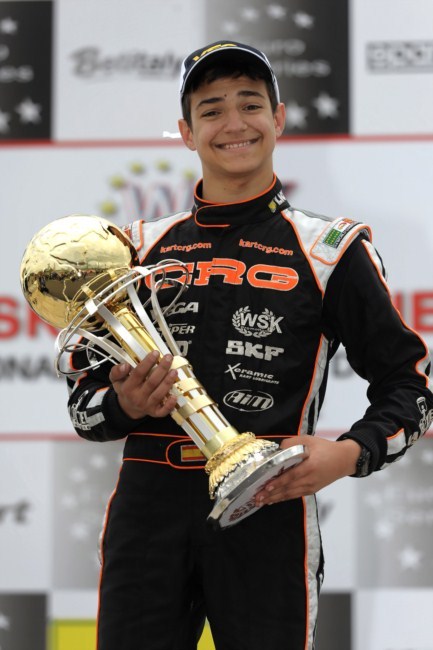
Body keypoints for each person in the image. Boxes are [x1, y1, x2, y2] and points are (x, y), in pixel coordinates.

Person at [66, 41, 433, 650]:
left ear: (278, 118)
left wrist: (347, 455)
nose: (234, 123)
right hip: (148, 511)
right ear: (187, 132)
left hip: (269, 503)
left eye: (250, 104)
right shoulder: (134, 250)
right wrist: (125, 403)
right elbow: (84, 405)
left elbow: (410, 385)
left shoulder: (330, 250)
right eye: (211, 110)